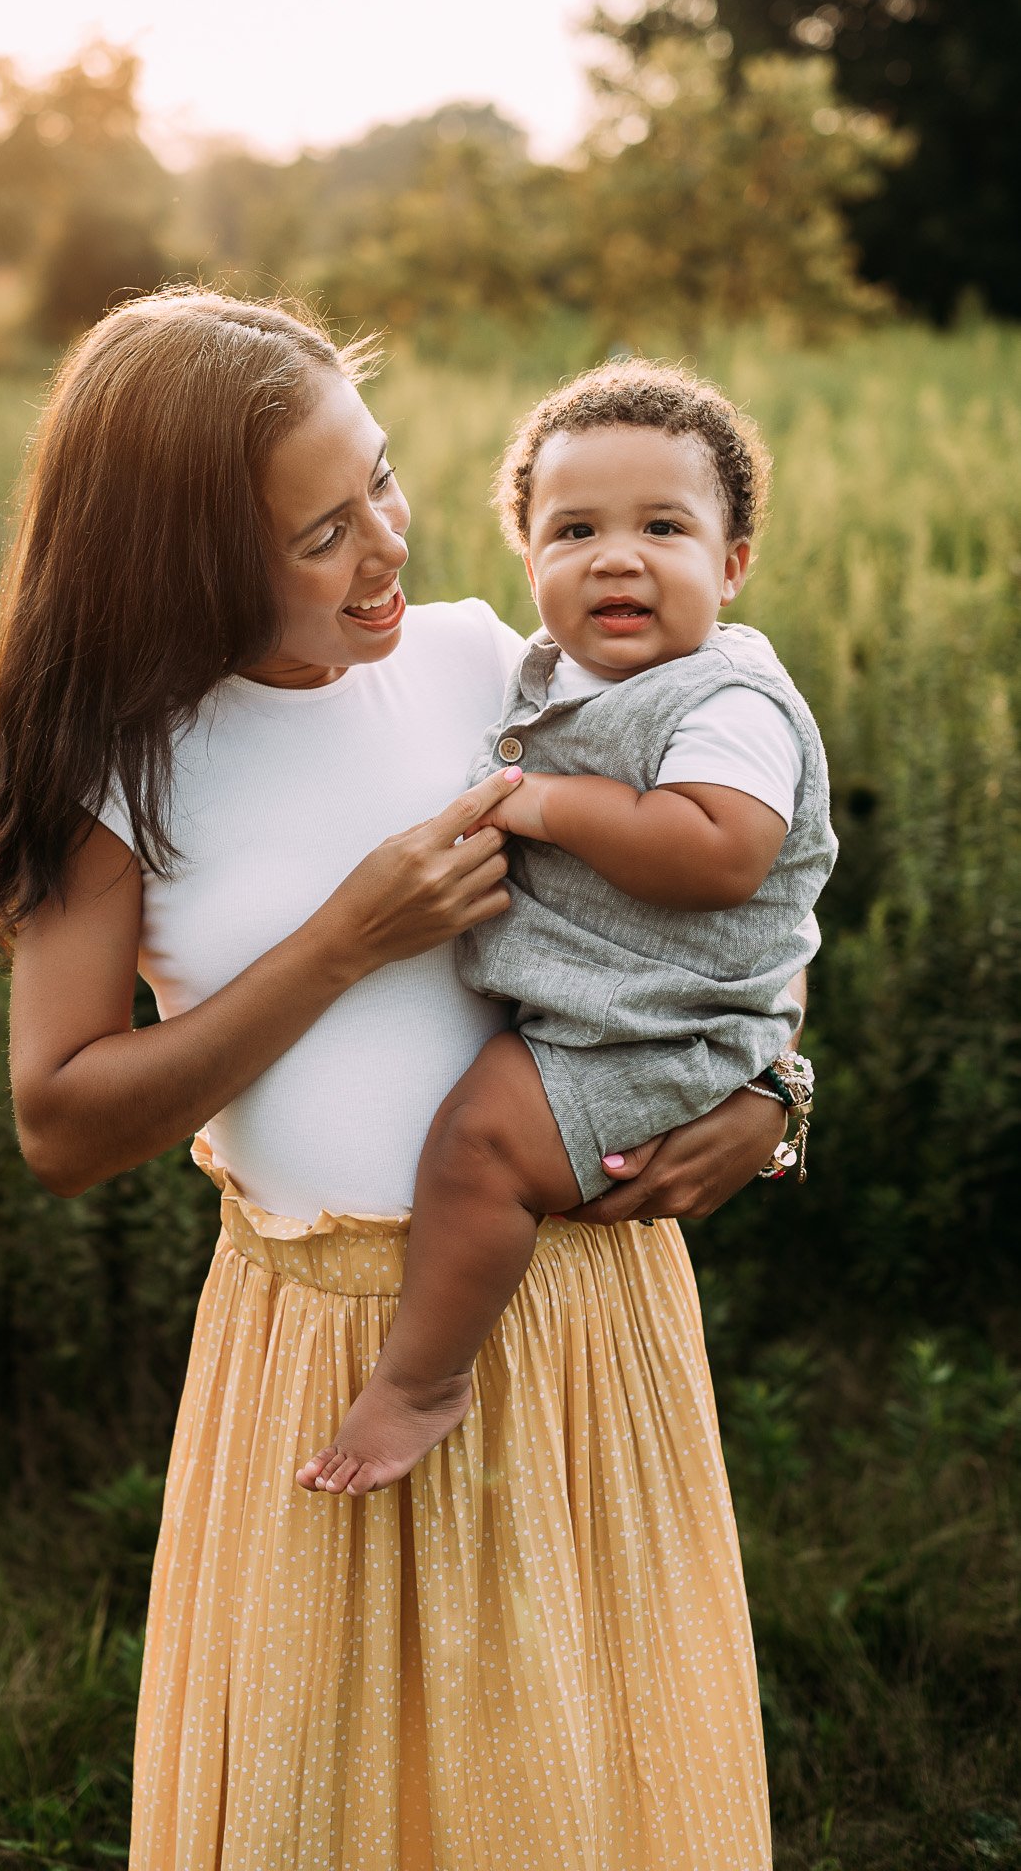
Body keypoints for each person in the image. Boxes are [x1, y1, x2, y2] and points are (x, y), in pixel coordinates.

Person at [0, 289, 794, 1870]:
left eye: (382, 482)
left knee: (584, 1804)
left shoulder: (500, 670)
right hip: (324, 1348)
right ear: (187, 565)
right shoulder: (117, 769)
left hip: (577, 1323)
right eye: (320, 533)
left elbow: (732, 889)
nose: (388, 546)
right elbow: (60, 1123)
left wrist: (773, 1094)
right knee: (329, 1809)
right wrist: (343, 940)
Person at [299, 361, 834, 1498]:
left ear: (732, 564)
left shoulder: (725, 702)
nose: (617, 555)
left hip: (647, 1033)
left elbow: (722, 854)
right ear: (529, 559)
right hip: (623, 1013)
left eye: (664, 526)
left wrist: (545, 802)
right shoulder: (547, 680)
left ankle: (422, 1378)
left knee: (479, 1147)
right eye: (574, 528)